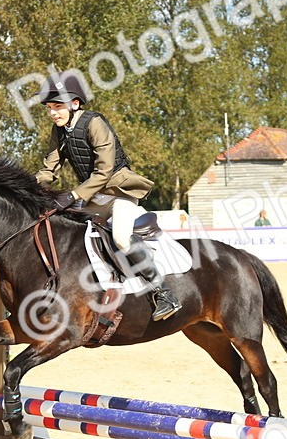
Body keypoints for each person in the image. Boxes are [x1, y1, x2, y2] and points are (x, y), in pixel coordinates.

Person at [33, 72, 182, 320]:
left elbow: (104, 172)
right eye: (49, 108)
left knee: (121, 238)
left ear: (75, 103)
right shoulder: (59, 131)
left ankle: (163, 292)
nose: (52, 113)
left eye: (57, 106)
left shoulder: (95, 124)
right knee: (70, 234)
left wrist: (73, 195)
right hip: (94, 198)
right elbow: (49, 168)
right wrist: (24, 187)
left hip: (119, 193)